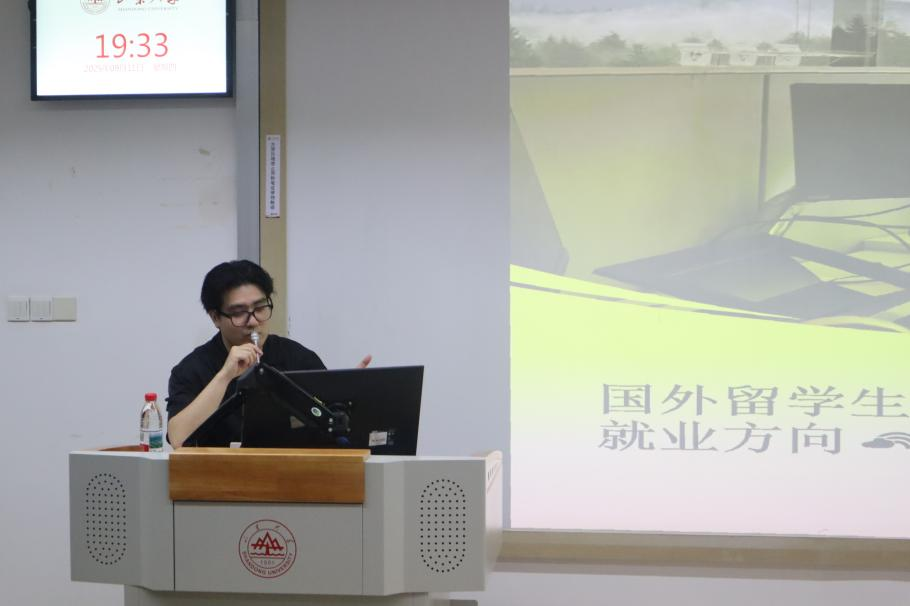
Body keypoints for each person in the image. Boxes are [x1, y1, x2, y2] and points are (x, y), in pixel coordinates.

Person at [167, 260, 370, 448]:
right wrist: (225, 376)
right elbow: (178, 438)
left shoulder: (298, 358)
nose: (253, 321)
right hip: (220, 471)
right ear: (215, 318)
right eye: (238, 312)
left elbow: (331, 427)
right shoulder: (191, 369)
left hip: (293, 469)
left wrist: (347, 397)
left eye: (260, 307)